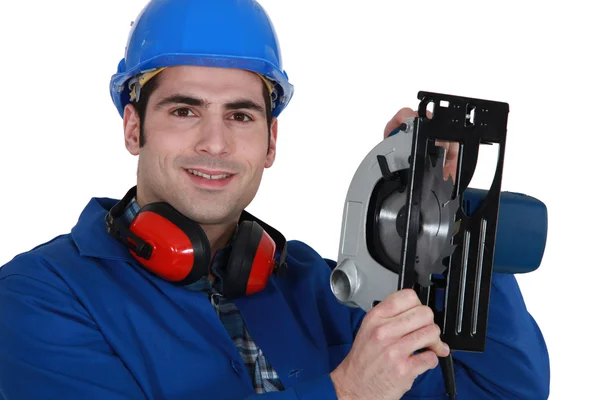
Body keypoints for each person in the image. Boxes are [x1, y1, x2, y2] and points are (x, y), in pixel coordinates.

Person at [0, 0, 550, 399]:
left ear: (270, 142)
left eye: (240, 115)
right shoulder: (38, 299)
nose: (214, 143)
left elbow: (504, 391)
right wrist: (347, 392)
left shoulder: (317, 286)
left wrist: (445, 214)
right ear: (132, 128)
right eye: (184, 110)